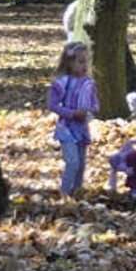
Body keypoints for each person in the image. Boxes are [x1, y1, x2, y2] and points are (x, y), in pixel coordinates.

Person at [47, 41, 99, 196]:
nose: (85, 66)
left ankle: (77, 190)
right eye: (81, 62)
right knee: (72, 162)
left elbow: (95, 102)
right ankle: (64, 192)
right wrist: (71, 113)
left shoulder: (89, 83)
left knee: (82, 163)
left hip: (82, 128)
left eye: (87, 63)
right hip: (66, 129)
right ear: (69, 63)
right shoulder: (62, 83)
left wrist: (91, 110)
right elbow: (52, 104)